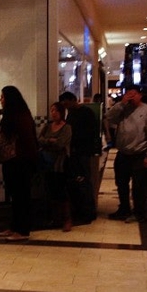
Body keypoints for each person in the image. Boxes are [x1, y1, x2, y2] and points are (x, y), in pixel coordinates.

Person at [104, 84, 147, 223]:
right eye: (128, 95)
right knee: (121, 183)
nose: (131, 98)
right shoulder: (123, 109)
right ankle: (124, 208)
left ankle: (139, 212)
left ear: (140, 95)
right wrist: (121, 103)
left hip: (140, 153)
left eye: (133, 94)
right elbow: (109, 117)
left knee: (138, 186)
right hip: (123, 153)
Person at [0, 86, 39, 242]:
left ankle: (23, 229)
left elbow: (27, 141)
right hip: (10, 161)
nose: (0, 100)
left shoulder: (21, 117)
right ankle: (14, 227)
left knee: (21, 196)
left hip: (19, 162)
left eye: (2, 97)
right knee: (15, 196)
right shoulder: (12, 115)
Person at [58, 91, 99, 224]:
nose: (66, 106)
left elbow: (90, 133)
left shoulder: (86, 113)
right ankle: (82, 210)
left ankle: (88, 212)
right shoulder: (71, 113)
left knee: (84, 182)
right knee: (78, 181)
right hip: (75, 153)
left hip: (83, 152)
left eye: (67, 103)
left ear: (73, 100)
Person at [37, 102, 72, 232]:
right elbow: (39, 139)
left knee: (61, 191)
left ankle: (67, 219)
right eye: (52, 110)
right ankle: (55, 218)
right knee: (50, 190)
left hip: (60, 164)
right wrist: (49, 141)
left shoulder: (67, 128)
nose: (53, 113)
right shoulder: (47, 126)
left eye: (56, 111)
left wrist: (48, 142)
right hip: (47, 163)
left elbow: (61, 144)